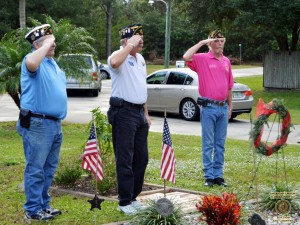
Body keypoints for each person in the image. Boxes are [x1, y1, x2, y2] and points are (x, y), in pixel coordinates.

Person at [17, 24, 67, 221]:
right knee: (36, 168)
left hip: (54, 123)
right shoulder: (31, 60)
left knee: (49, 169)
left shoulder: (52, 63)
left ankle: (43, 205)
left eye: (53, 42)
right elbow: (31, 63)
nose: (53, 45)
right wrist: (45, 46)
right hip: (38, 123)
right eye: (49, 42)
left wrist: (46, 46)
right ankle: (32, 209)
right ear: (37, 45)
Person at [107, 23, 151, 215]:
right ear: (126, 39)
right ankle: (124, 201)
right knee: (125, 157)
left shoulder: (140, 58)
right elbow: (114, 63)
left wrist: (146, 113)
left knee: (141, 158)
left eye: (141, 37)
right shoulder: (119, 56)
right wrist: (128, 46)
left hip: (139, 113)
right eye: (136, 37)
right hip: (123, 112)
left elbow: (141, 86)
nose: (141, 40)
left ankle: (133, 197)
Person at [183, 29, 234, 187]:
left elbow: (230, 86)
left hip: (223, 107)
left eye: (221, 41)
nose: (219, 44)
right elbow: (186, 56)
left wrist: (230, 106)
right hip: (209, 107)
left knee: (220, 144)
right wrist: (202, 43)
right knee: (208, 143)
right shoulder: (202, 59)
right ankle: (209, 176)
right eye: (216, 41)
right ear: (210, 44)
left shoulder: (226, 61)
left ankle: (218, 175)